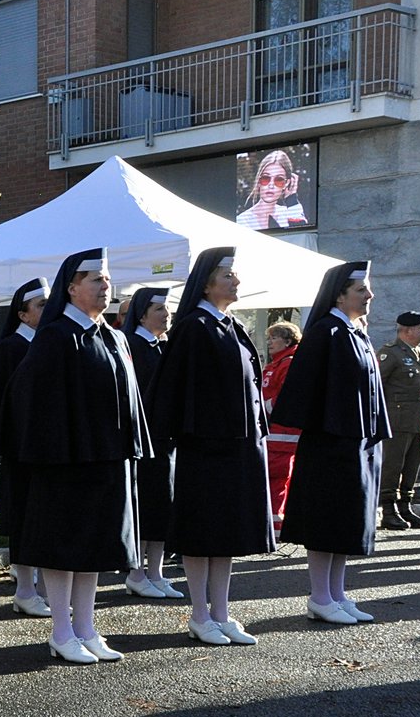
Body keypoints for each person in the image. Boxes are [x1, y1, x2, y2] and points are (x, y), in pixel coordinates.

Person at [0, 248, 148, 665]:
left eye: (106, 278)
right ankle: (61, 631)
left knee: (95, 546)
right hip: (65, 463)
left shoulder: (113, 335)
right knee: (65, 547)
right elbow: (28, 396)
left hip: (107, 460)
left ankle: (86, 627)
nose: (106, 286)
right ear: (72, 288)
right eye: (96, 279)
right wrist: (58, 447)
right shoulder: (56, 335)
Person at [148, 249, 274, 645]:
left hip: (238, 447)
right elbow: (173, 392)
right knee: (202, 531)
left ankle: (221, 613)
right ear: (206, 282)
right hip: (206, 449)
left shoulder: (229, 324)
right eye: (229, 275)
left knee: (227, 533)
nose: (236, 282)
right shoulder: (193, 327)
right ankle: (199, 614)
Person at [272, 261, 392, 623]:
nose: (369, 295)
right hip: (329, 445)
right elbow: (305, 391)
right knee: (326, 519)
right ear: (340, 295)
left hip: (357, 443)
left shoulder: (356, 332)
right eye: (361, 290)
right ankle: (320, 596)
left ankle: (337, 593)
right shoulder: (327, 331)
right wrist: (332, 431)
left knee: (346, 520)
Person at [0, 277, 51, 616]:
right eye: (41, 306)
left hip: (45, 447)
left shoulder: (46, 343)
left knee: (43, 518)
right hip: (22, 449)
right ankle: (25, 590)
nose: (48, 311)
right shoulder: (14, 347)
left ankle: (43, 589)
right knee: (24, 518)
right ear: (23, 314)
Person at [120, 286, 181, 601]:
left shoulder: (165, 346)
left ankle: (155, 572)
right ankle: (136, 573)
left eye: (168, 307)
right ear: (142, 314)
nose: (167, 313)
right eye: (159, 308)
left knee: (163, 506)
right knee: (144, 505)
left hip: (165, 441)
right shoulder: (133, 346)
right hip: (143, 442)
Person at [376, 312, 420, 530]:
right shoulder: (390, 353)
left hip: (417, 421)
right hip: (396, 422)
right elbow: (377, 387)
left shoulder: (418, 353)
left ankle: (405, 507)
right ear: (408, 330)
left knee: (412, 466)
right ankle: (388, 511)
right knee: (393, 465)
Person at [260, 321, 303, 536]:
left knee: (276, 479)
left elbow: (286, 396)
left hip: (282, 434)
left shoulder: (288, 363)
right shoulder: (277, 363)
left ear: (287, 340)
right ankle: (271, 525)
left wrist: (262, 408)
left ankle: (274, 528)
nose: (269, 342)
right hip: (273, 433)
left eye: (274, 337)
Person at [237, 149, 308, 230]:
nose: (271, 185)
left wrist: (292, 200)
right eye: (266, 178)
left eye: (279, 180)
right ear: (259, 181)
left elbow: (302, 236)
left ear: (287, 183)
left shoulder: (290, 213)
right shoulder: (242, 221)